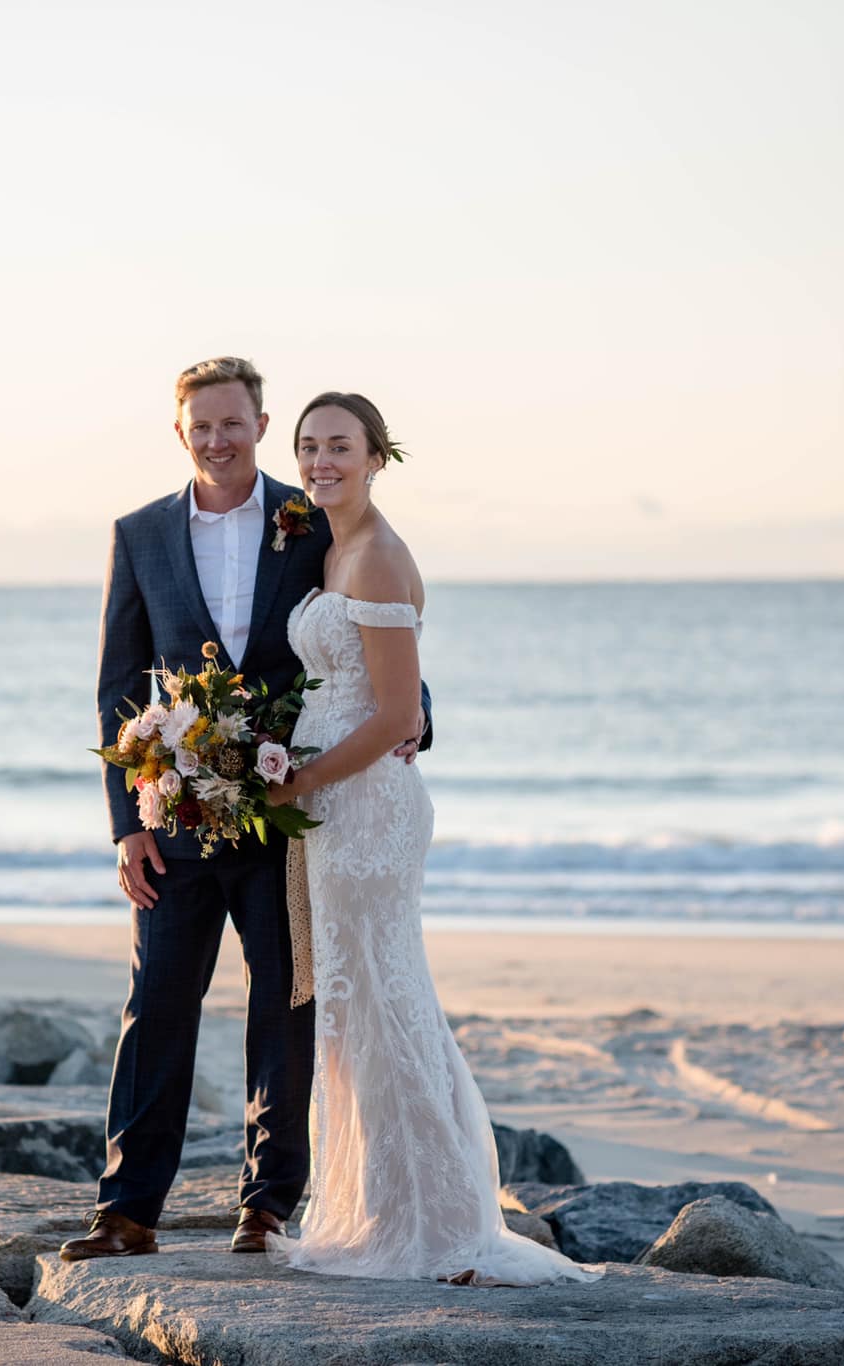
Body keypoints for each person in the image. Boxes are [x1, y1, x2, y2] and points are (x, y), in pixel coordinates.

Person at [62, 358, 428, 1262]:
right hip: (178, 816)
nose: (219, 439)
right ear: (180, 432)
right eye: (202, 426)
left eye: (235, 422)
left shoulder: (311, 519)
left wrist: (420, 714)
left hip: (287, 818)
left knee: (287, 1002)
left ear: (260, 423)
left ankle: (266, 1206)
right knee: (158, 1005)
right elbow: (118, 682)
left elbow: (373, 626)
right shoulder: (139, 533)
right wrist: (127, 824)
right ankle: (127, 1210)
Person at [263, 392, 603, 1286]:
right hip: (336, 808)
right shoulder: (330, 544)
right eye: (308, 446)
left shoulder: (376, 556)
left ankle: (442, 1225)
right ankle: (386, 1209)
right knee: (358, 1010)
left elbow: (398, 713)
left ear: (379, 456)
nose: (320, 460)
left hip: (366, 808)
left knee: (384, 1001)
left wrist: (297, 781)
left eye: (339, 445)